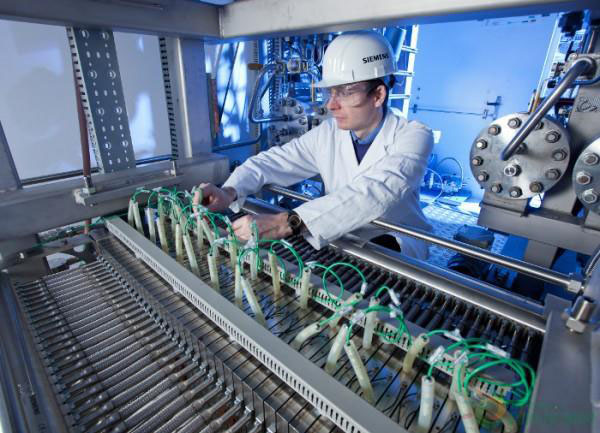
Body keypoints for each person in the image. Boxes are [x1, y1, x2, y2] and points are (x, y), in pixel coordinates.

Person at [195, 30, 433, 260]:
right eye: (331, 92)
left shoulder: (414, 135)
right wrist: (229, 191)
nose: (331, 105)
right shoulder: (329, 133)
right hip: (341, 240)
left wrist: (286, 222)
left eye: (345, 93)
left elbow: (378, 190)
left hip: (395, 249)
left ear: (378, 95)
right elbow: (273, 161)